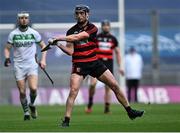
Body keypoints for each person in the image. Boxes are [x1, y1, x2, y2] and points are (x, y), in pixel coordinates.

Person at [48, 4, 144, 127]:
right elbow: (70, 51)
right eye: (77, 13)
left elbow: (79, 36)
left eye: (82, 13)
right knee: (73, 91)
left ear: (87, 14)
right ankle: (66, 121)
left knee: (114, 85)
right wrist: (58, 45)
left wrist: (58, 38)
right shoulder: (70, 31)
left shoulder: (92, 28)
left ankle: (130, 111)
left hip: (94, 63)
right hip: (79, 65)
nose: (79, 15)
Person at [4, 11, 47, 121]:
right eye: (21, 18)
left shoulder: (34, 33)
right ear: (18, 20)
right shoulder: (13, 34)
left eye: (25, 18)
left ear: (28, 20)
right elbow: (7, 48)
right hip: (19, 66)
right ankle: (26, 112)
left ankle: (32, 104)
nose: (24, 20)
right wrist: (7, 58)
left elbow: (43, 46)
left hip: (32, 65)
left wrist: (43, 60)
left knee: (33, 88)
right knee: (22, 92)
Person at [85, 20, 124, 114]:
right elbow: (91, 50)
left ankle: (107, 108)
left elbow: (118, 53)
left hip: (109, 65)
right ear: (102, 27)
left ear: (109, 27)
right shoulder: (96, 37)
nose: (106, 27)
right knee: (92, 84)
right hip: (96, 64)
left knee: (108, 87)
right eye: (104, 26)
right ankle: (90, 103)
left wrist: (120, 67)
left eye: (107, 26)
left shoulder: (113, 39)